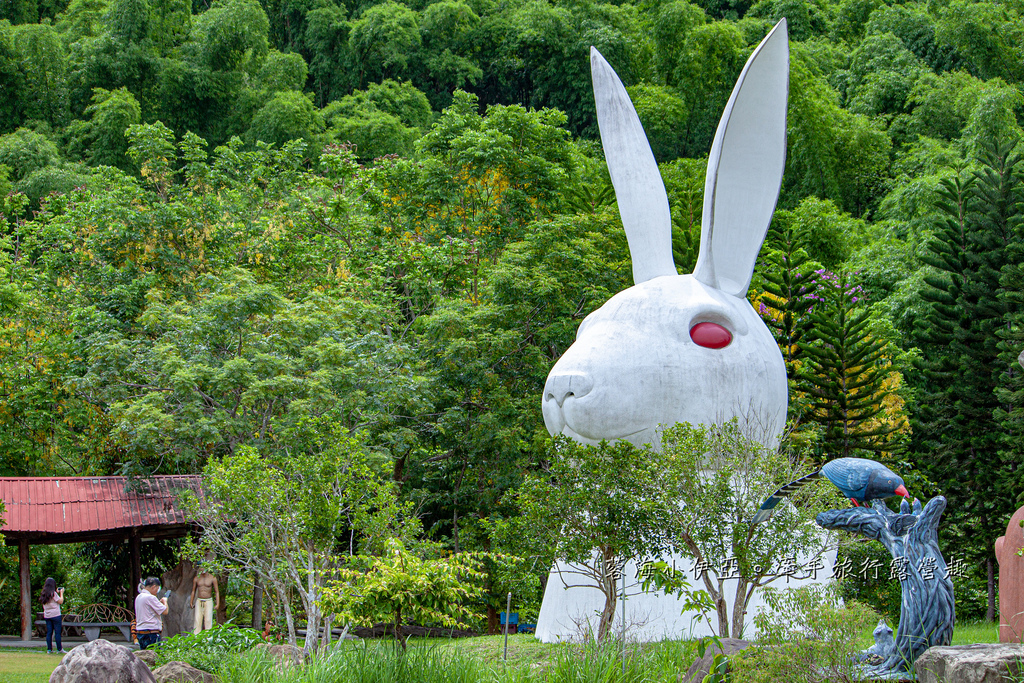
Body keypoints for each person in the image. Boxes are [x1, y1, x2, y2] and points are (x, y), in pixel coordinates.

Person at [134, 577, 168, 650]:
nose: (157, 591)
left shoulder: (139, 597)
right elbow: (165, 611)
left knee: (144, 656)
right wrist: (165, 601)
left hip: (141, 632)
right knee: (153, 657)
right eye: (157, 588)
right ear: (153, 587)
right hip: (151, 633)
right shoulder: (150, 598)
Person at [40, 578, 65, 654]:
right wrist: (61, 593)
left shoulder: (43, 594)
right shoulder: (53, 594)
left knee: (49, 632)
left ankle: (49, 649)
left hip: (47, 615)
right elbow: (60, 601)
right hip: (56, 615)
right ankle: (59, 649)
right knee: (57, 632)